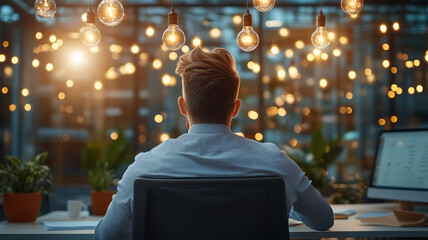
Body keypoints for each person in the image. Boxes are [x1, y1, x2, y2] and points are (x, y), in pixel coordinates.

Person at [95, 47, 333, 240]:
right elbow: (323, 220)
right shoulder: (274, 161)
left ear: (182, 107)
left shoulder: (143, 168)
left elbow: (108, 236)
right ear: (236, 108)